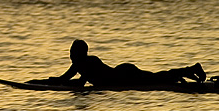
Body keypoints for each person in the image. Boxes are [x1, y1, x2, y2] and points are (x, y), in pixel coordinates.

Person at [40, 39, 206, 87]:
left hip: (124, 76)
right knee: (157, 77)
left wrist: (47, 83)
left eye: (71, 52)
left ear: (78, 53)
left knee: (157, 79)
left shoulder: (82, 64)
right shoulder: (86, 63)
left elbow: (65, 80)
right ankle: (186, 71)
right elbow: (79, 82)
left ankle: (191, 69)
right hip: (123, 72)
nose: (69, 55)